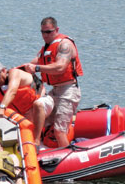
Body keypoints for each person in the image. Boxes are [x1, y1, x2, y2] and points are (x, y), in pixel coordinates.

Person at [23, 17, 83, 148]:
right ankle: (36, 148)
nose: (45, 35)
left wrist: (37, 68)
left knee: (60, 131)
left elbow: (60, 67)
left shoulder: (65, 44)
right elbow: (32, 63)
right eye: (43, 32)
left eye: (49, 32)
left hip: (68, 90)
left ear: (56, 30)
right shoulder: (46, 48)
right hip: (54, 91)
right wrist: (13, 72)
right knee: (39, 116)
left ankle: (68, 159)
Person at [0, 60, 53, 146]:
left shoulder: (14, 73)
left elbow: (12, 91)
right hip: (26, 115)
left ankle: (36, 141)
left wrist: (2, 107)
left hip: (43, 103)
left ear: (3, 71)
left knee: (38, 104)